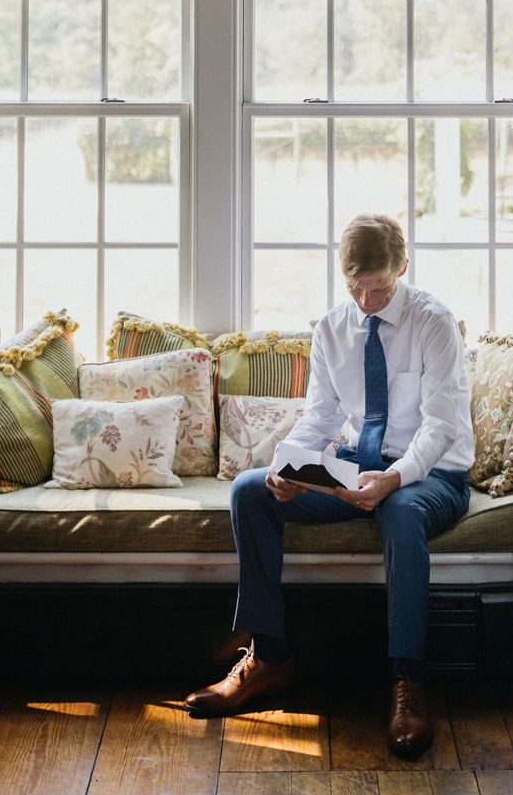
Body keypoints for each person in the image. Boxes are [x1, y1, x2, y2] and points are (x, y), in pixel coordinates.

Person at [184, 212, 474, 759]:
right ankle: (270, 657)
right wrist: (287, 464)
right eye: (355, 289)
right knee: (251, 490)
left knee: (401, 512)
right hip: (352, 466)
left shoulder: (433, 323)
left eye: (380, 288)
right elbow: (319, 417)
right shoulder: (331, 329)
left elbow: (441, 428)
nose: (367, 301)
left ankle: (407, 682)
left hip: (430, 475)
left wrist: (391, 479)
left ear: (402, 268)